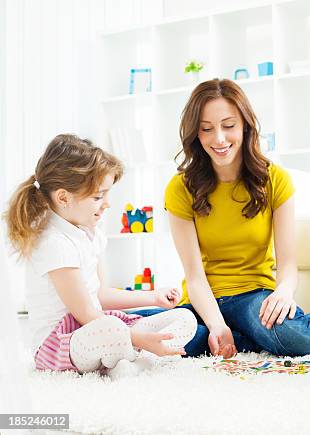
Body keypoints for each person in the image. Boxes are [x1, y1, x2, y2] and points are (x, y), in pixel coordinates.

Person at [133, 79, 310, 358]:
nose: (219, 139)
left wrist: (283, 292)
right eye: (206, 129)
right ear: (195, 134)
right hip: (203, 302)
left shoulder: (275, 179)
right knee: (151, 331)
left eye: (229, 125)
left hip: (253, 297)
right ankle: (239, 338)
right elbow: (195, 277)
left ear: (245, 125)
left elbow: (288, 263)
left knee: (295, 338)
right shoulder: (180, 188)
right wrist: (216, 325)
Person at [3, 134, 197, 379]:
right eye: (97, 197)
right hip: (62, 344)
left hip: (97, 326)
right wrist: (138, 338)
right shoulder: (54, 243)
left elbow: (101, 295)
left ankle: (127, 364)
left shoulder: (88, 233)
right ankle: (134, 361)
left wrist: (153, 297)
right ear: (63, 197)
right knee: (113, 329)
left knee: (185, 318)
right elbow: (85, 312)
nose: (107, 204)